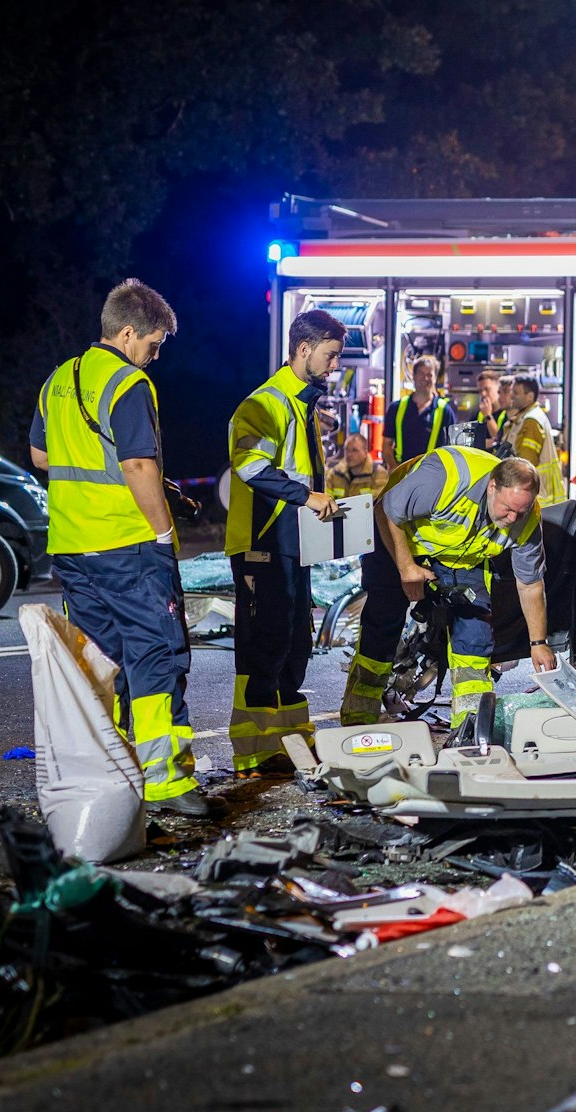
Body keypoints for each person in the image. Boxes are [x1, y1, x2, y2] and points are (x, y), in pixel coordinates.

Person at [29, 279, 210, 817]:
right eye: (152, 345)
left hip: (70, 545)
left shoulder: (59, 379)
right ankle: (167, 782)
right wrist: (161, 532)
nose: (154, 358)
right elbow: (136, 465)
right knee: (156, 655)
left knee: (103, 661)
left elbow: (41, 456)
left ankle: (116, 771)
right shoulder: (129, 383)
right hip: (127, 543)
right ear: (127, 332)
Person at [339, 449, 557, 738]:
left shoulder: (526, 519)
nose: (513, 517)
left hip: (461, 556)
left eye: (522, 510)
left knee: (475, 638)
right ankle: (358, 718)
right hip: (399, 533)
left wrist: (538, 642)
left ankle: (470, 727)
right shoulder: (445, 479)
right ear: (492, 487)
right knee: (383, 623)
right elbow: (386, 511)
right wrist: (406, 568)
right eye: (507, 508)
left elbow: (530, 584)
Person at [224, 310, 345, 778]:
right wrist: (309, 496)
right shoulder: (264, 404)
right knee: (262, 647)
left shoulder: (300, 404)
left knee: (294, 645)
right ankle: (253, 752)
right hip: (262, 544)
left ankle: (290, 744)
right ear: (303, 349)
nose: (334, 365)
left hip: (293, 544)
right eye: (330, 355)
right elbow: (250, 467)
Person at [498, 374, 568, 505]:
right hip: (535, 493)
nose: (511, 396)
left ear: (529, 396)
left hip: (536, 496)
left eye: (515, 392)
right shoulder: (524, 417)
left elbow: (526, 463)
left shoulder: (531, 421)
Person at [383, 358, 451, 464]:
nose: (425, 378)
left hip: (432, 476)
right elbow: (387, 444)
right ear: (413, 376)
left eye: (430, 375)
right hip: (402, 475)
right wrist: (393, 468)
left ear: (435, 378)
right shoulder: (395, 408)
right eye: (421, 373)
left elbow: (451, 450)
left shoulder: (445, 411)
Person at [327, 431, 389, 498]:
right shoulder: (334, 474)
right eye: (346, 449)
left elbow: (379, 503)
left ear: (365, 452)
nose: (349, 454)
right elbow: (326, 498)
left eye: (354, 450)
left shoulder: (379, 474)